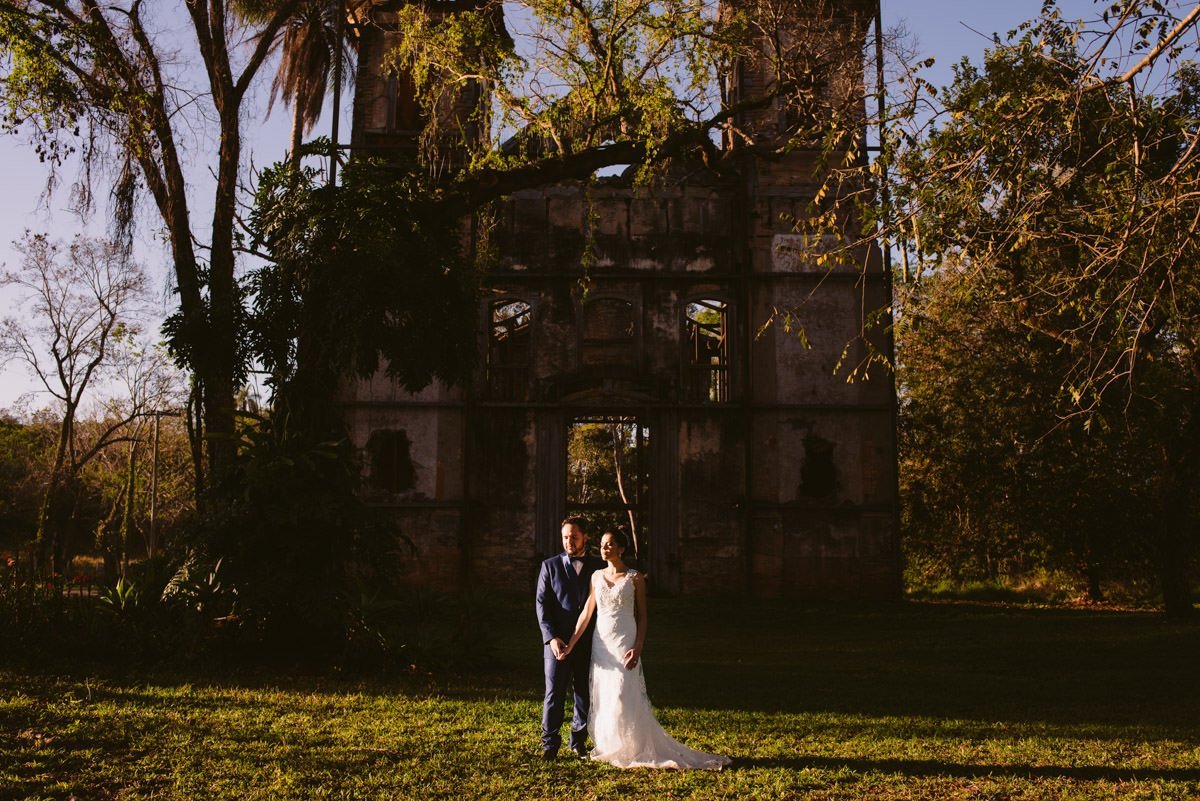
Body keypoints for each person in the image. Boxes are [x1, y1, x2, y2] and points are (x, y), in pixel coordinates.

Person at [560, 530, 731, 770]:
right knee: (606, 691)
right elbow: (587, 613)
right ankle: (611, 746)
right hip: (602, 641)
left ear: (621, 549)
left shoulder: (635, 578)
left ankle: (633, 745)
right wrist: (571, 642)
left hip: (625, 639)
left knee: (621, 690)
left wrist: (638, 646)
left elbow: (642, 617)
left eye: (610, 545)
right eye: (602, 545)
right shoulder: (596, 577)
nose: (604, 549)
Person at [535, 516, 606, 760]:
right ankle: (549, 743)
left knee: (584, 693)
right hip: (557, 642)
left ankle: (578, 741)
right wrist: (551, 638)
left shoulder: (599, 566)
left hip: (588, 641)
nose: (569, 542)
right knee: (553, 692)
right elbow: (541, 605)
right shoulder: (549, 566)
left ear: (585, 537)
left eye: (574, 537)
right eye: (565, 537)